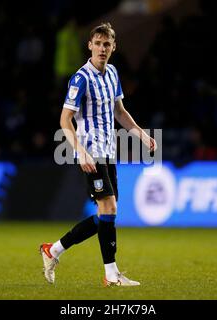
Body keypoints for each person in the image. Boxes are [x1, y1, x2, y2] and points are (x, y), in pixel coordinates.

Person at [40, 22, 156, 287]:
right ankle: (111, 275)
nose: (102, 48)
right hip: (91, 152)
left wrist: (141, 134)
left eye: (107, 44)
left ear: (113, 47)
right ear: (89, 46)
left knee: (107, 214)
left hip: (109, 151)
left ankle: (53, 250)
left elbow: (120, 112)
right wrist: (80, 152)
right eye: (98, 43)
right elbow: (64, 119)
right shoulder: (81, 78)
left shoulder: (113, 73)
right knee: (109, 207)